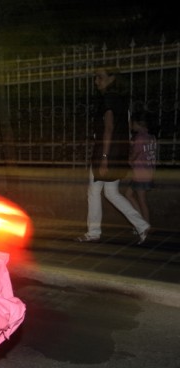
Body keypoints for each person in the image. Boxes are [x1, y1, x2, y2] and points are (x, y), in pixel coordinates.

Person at [75, 66, 150, 245]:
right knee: (111, 193)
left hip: (106, 152)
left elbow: (108, 128)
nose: (96, 81)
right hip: (118, 153)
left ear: (112, 79)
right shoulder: (122, 101)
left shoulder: (108, 99)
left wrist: (104, 158)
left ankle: (93, 232)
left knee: (94, 192)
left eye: (100, 77)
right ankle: (142, 225)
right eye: (95, 77)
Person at [125, 110, 157, 224]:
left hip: (140, 173)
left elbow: (135, 154)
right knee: (128, 195)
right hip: (147, 172)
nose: (130, 125)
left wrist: (129, 160)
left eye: (131, 122)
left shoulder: (139, 138)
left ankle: (145, 225)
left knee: (141, 200)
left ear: (138, 123)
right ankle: (140, 221)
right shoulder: (151, 137)